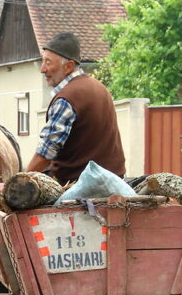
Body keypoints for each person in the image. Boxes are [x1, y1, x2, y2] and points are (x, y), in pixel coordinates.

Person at [25, 32, 126, 185]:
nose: (42, 69)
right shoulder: (99, 87)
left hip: (82, 185)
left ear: (69, 66)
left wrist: (17, 181)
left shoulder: (67, 99)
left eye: (48, 62)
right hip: (115, 180)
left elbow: (46, 151)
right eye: (43, 61)